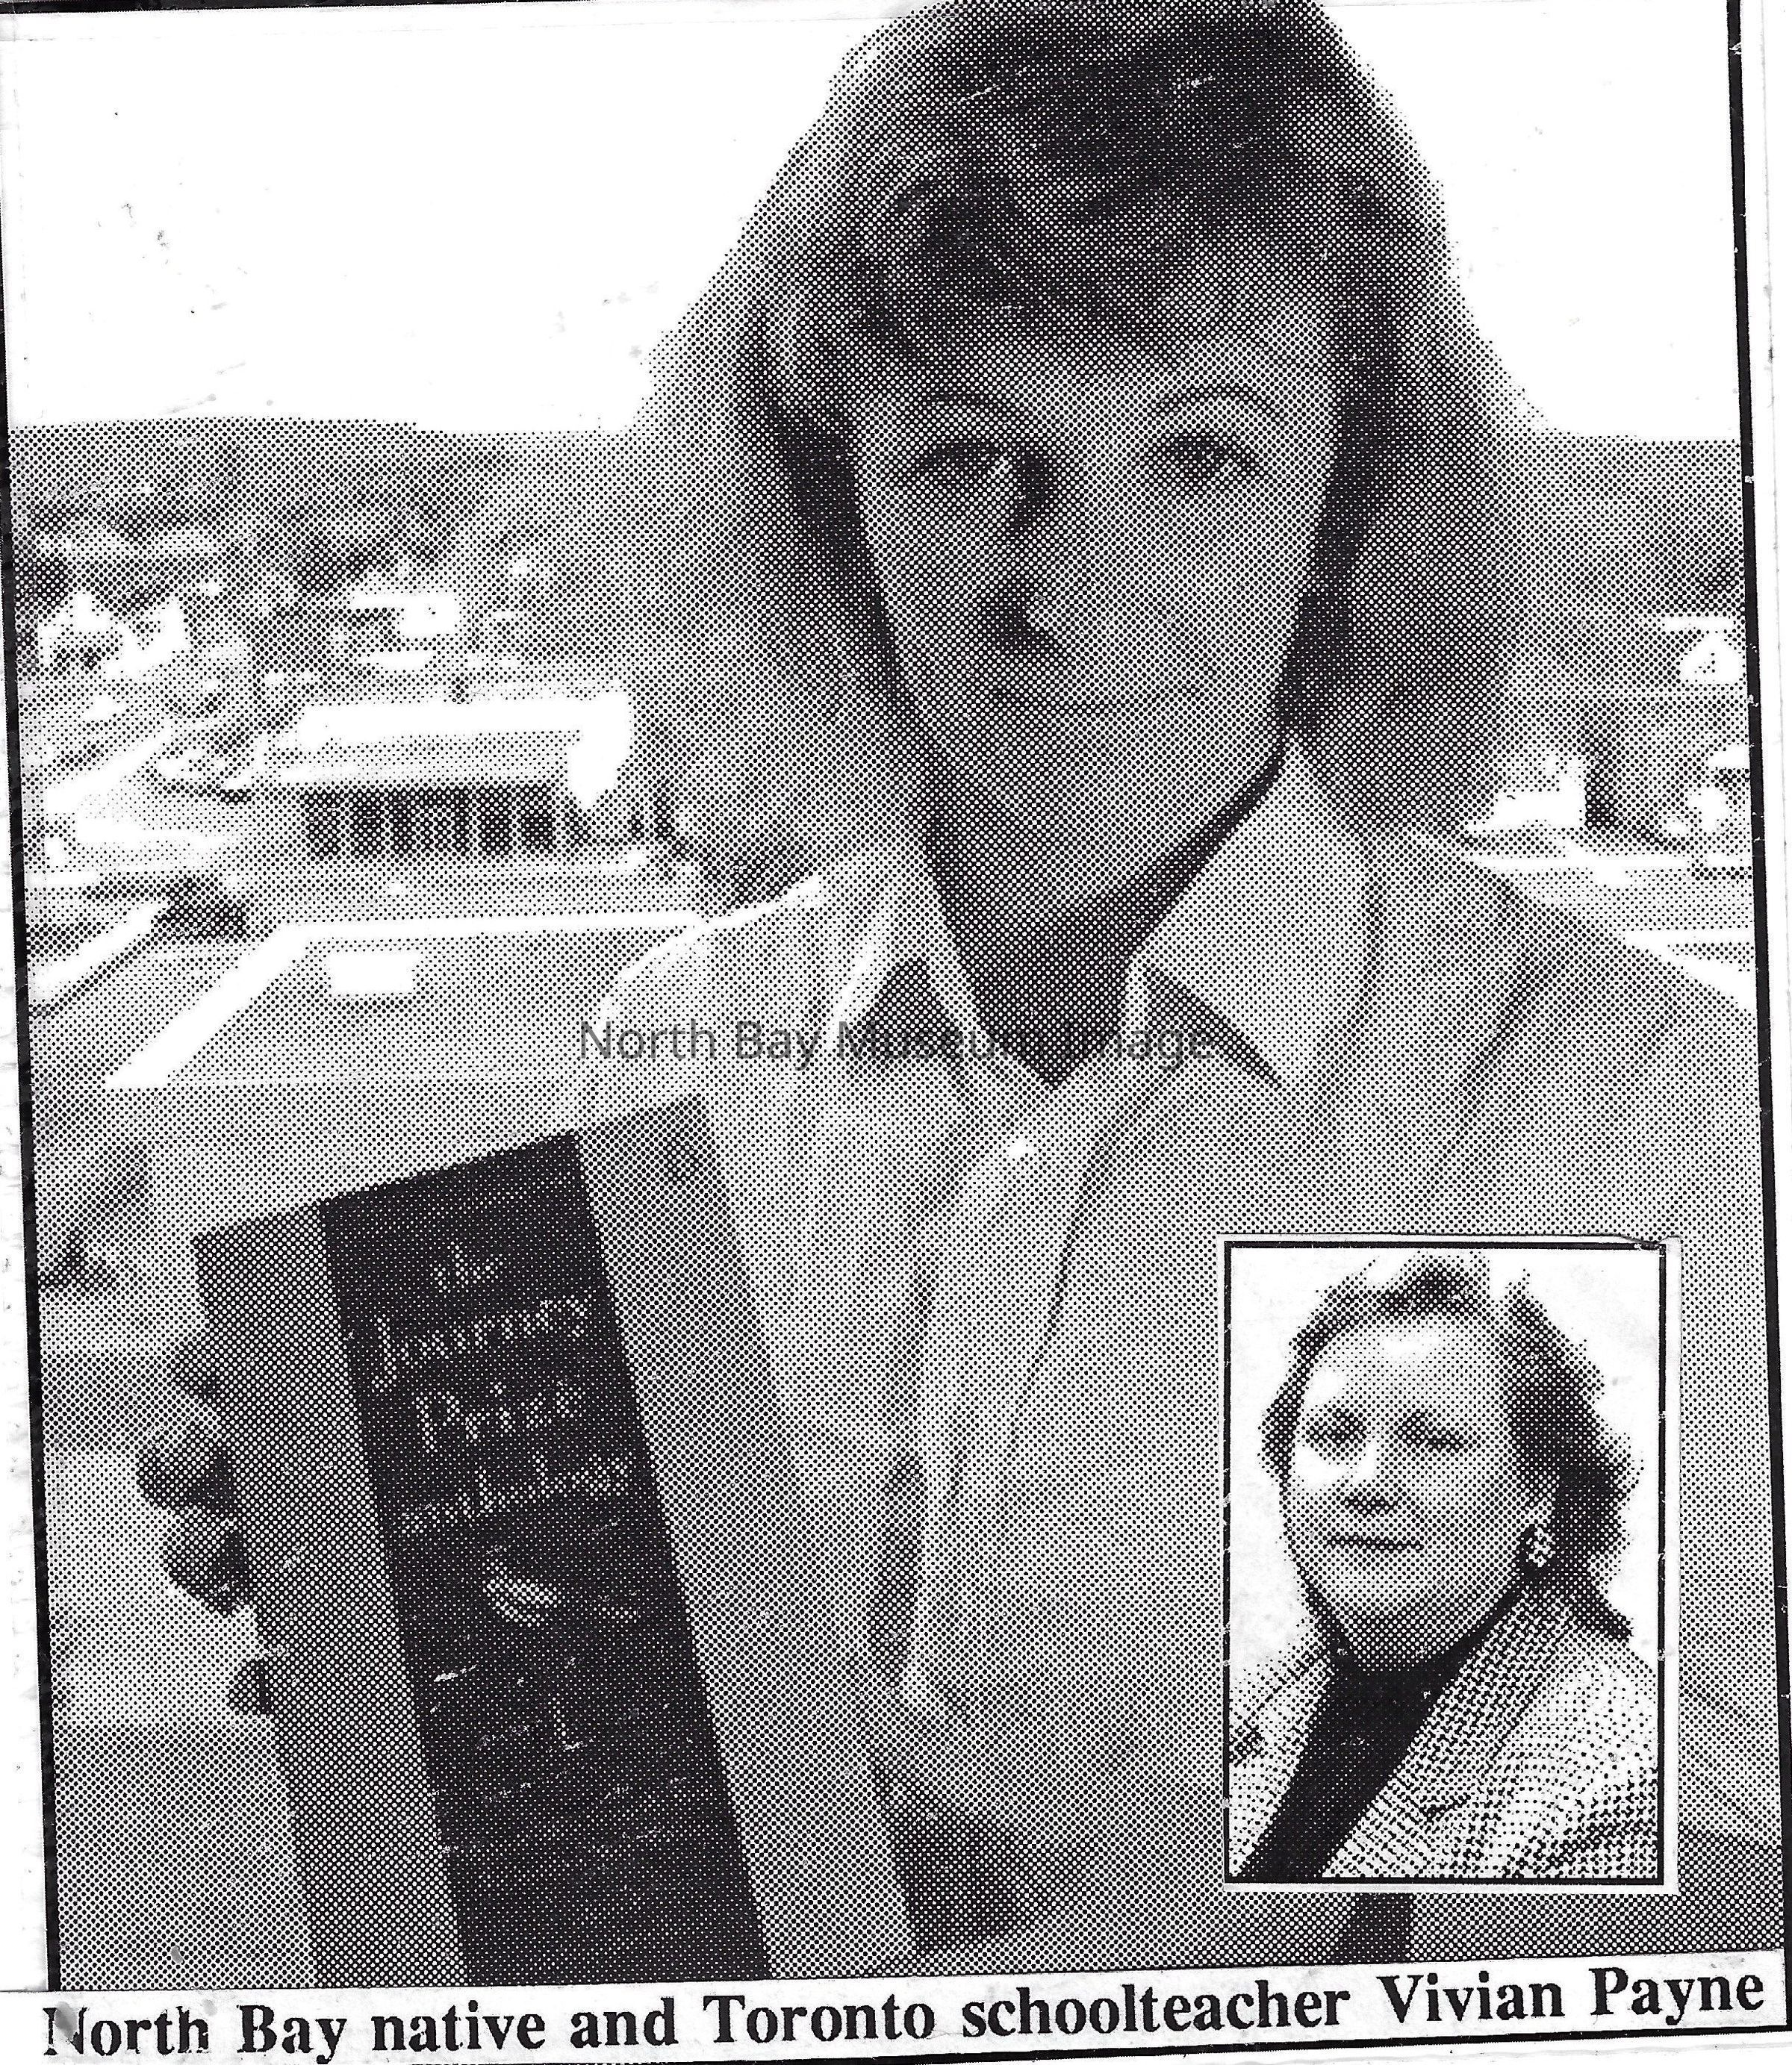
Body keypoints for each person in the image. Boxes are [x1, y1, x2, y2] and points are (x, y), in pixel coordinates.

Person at [147, 0, 1779, 1973]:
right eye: (969, 455)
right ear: (837, 505)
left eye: (1199, 455)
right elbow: (613, 1778)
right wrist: (411, 1603)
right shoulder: (672, 1049)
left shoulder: (1627, 1103)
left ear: (1347, 507)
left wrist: (1218, 1896)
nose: (1070, 592)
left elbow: (1736, 1886)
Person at [1229, 1253, 1657, 1885]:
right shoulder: (1254, 1695)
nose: (1367, 1482)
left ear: (1538, 1494)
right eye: (1334, 1436)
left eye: (1431, 1442)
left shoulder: (1608, 1773)